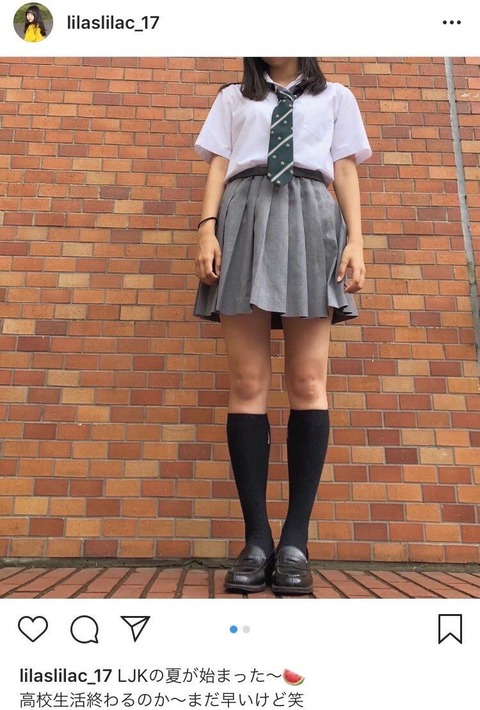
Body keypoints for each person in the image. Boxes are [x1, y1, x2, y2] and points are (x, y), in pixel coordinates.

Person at [193, 57, 372, 594]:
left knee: (308, 381)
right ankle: (256, 540)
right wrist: (206, 229)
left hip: (311, 217)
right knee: (247, 382)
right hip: (243, 214)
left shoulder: (336, 97)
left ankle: (295, 541)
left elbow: (345, 168)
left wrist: (357, 241)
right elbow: (218, 164)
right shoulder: (233, 96)